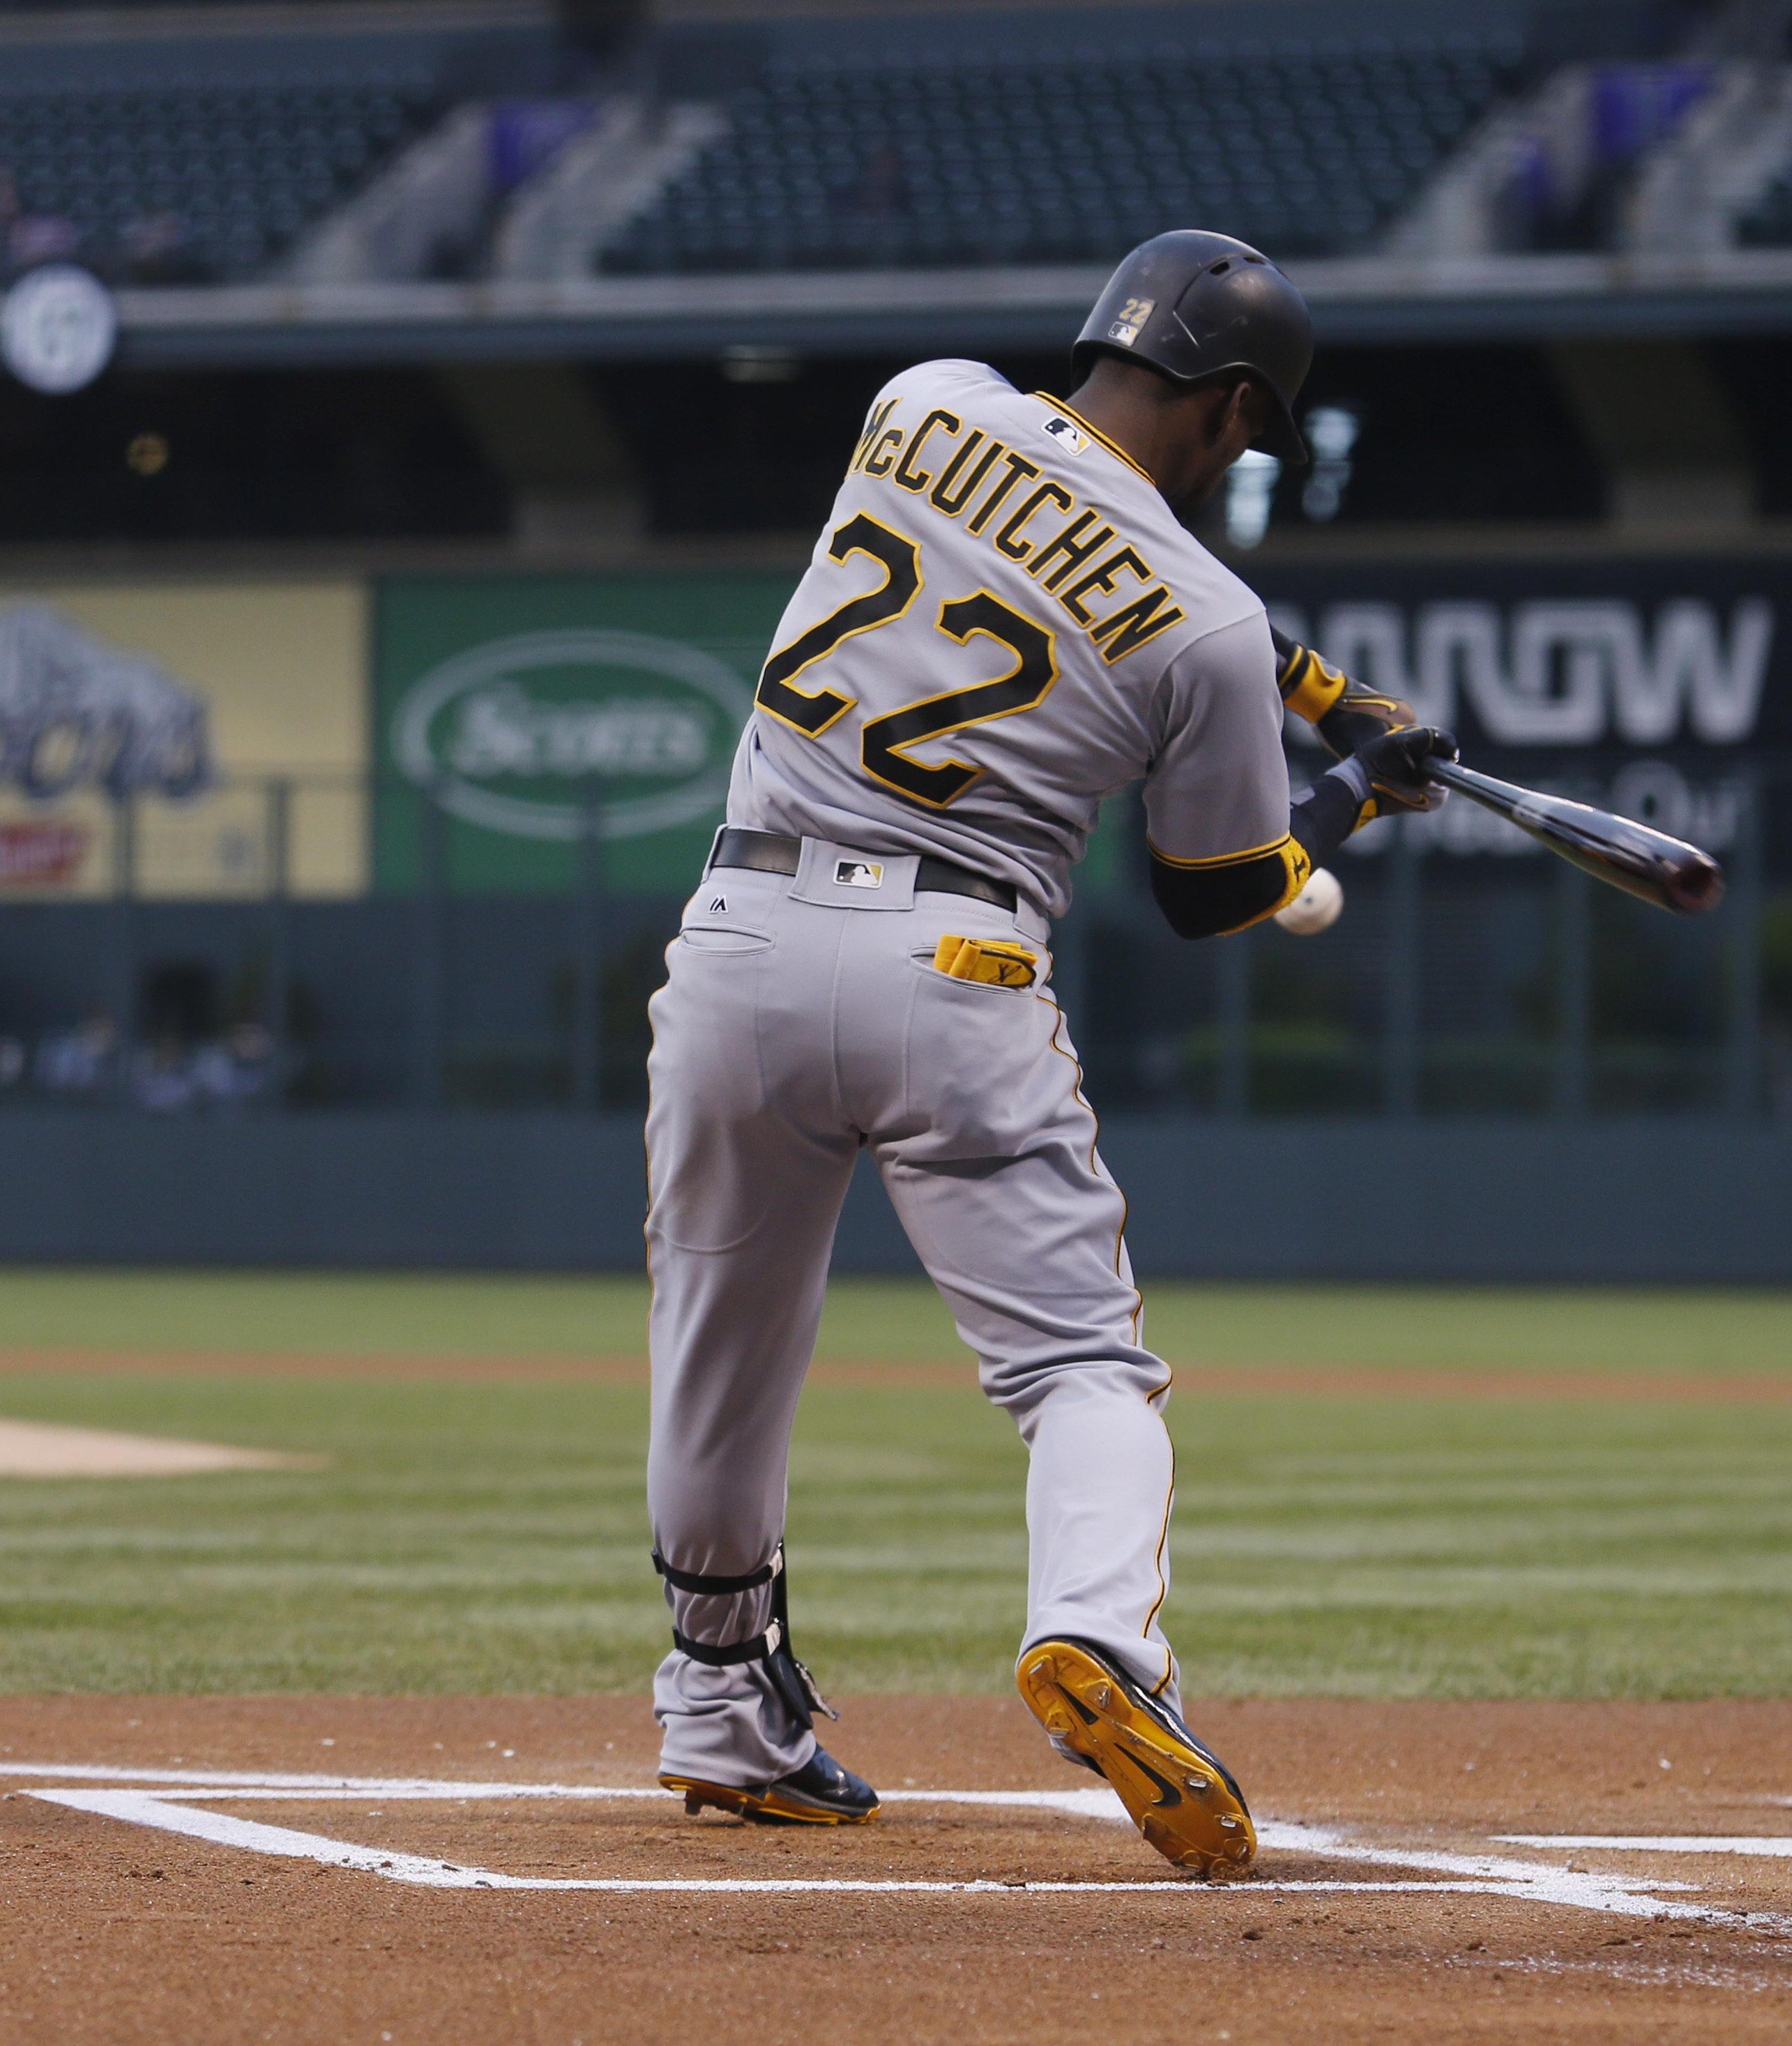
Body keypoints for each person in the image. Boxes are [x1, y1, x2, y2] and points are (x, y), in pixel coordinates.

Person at [639, 229, 1455, 1876]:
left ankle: (720, 1712)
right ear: (1231, 405)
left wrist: (1314, 684)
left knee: (719, 1348)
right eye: (1250, 424)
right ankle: (1099, 1636)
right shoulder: (1211, 623)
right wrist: (1355, 786)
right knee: (1082, 1372)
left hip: (738, 944)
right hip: (954, 967)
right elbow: (1220, 892)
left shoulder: (919, 401)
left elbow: (1054, 548)